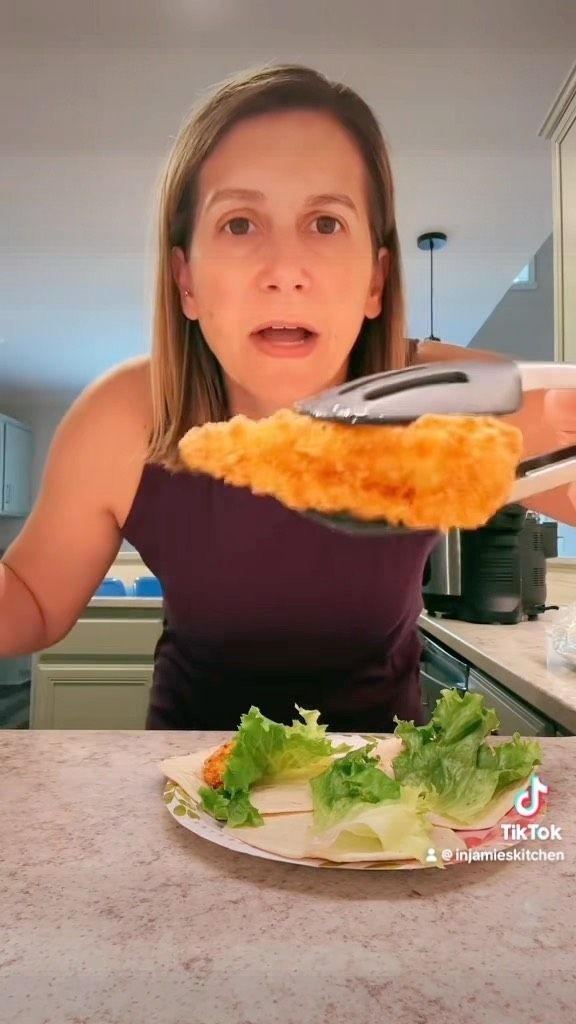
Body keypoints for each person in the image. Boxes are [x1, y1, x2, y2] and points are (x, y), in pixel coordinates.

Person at [1, 62, 575, 731]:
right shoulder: (126, 416)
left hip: (383, 798)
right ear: (186, 279)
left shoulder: (453, 399)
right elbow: (34, 600)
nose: (283, 273)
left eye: (326, 223)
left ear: (375, 279)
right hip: (196, 788)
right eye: (240, 224)